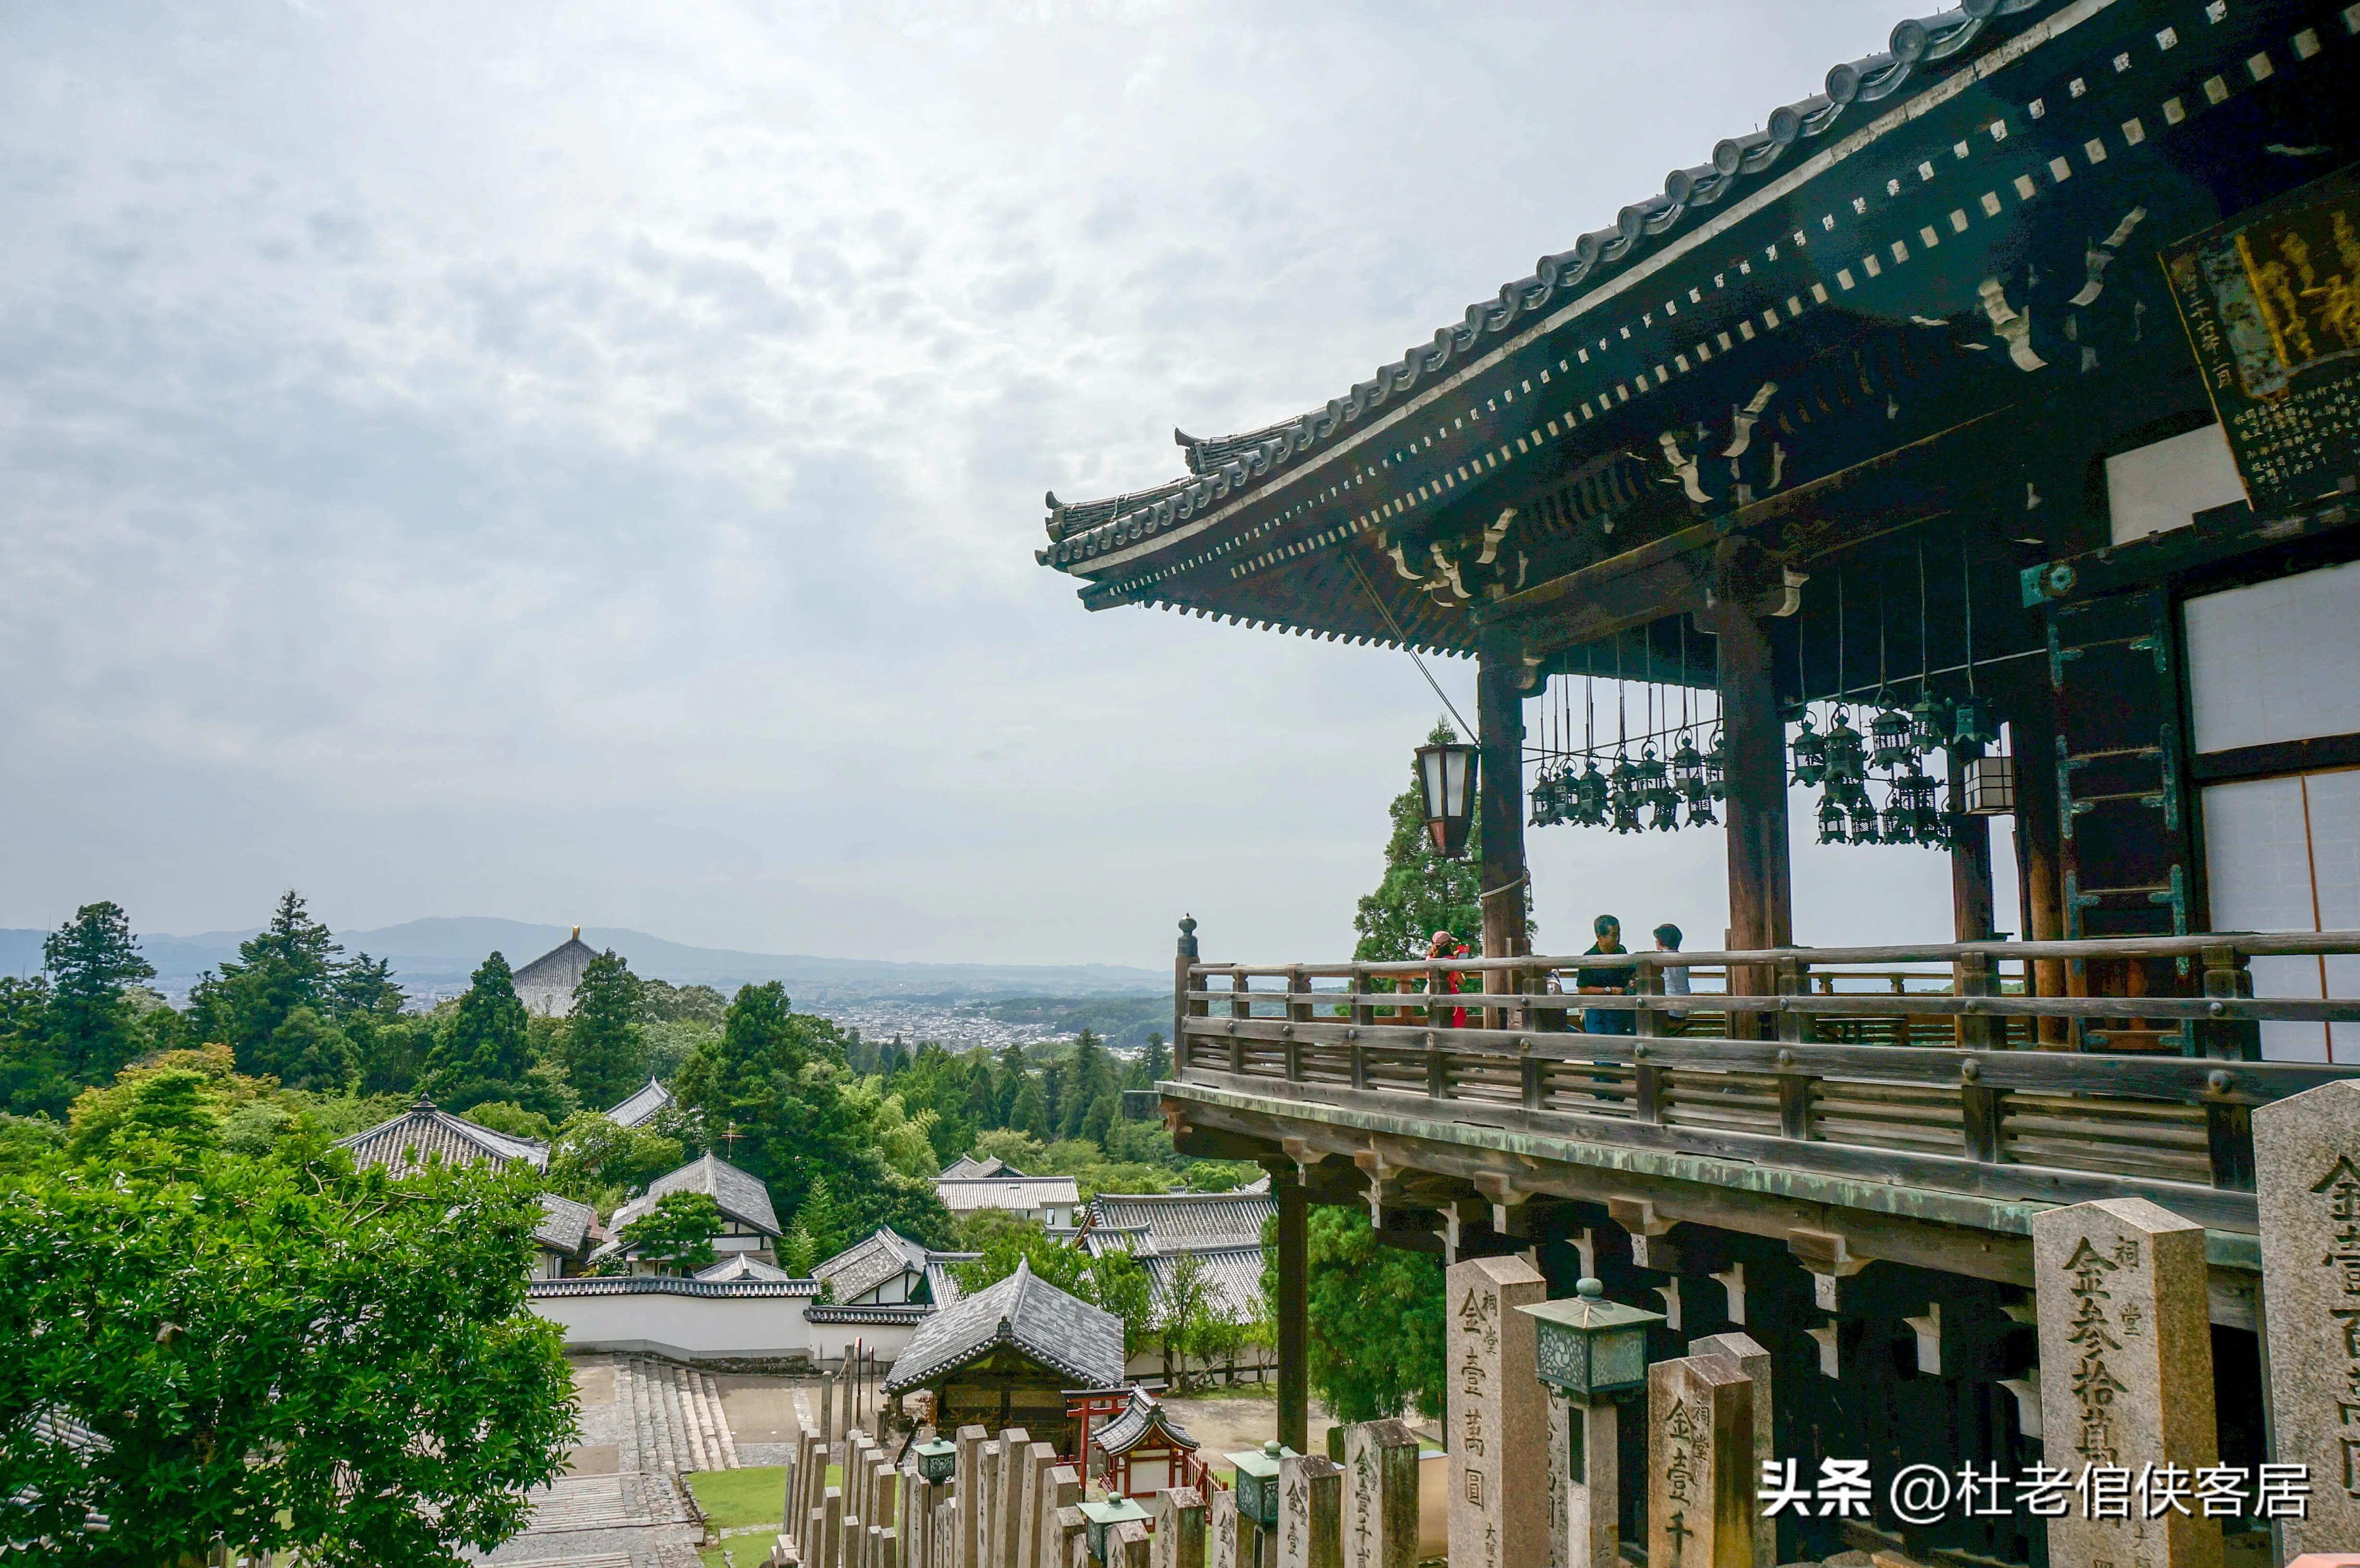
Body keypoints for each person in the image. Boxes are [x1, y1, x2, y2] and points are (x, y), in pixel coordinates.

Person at [1575, 915, 1637, 1037]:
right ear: (1600, 936)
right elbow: (1582, 989)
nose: (1618, 938)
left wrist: (1633, 982)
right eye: (1614, 935)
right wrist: (1609, 991)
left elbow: (1630, 975)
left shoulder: (1621, 951)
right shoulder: (1589, 957)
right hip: (1597, 1012)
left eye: (1618, 934)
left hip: (1619, 1011)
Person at [1654, 922, 1691, 1031]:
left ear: (1661, 940)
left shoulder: (1659, 960)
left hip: (1669, 1010)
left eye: (1657, 939)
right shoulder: (1684, 960)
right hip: (1684, 1010)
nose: (1655, 941)